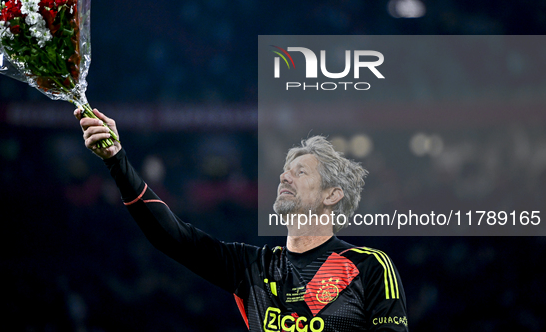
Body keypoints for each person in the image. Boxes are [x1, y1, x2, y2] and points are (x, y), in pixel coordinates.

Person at [74, 108, 408, 331]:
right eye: (285, 171)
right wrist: (117, 160)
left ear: (331, 195)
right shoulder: (254, 267)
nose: (285, 178)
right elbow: (172, 237)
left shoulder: (368, 267)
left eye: (300, 172)